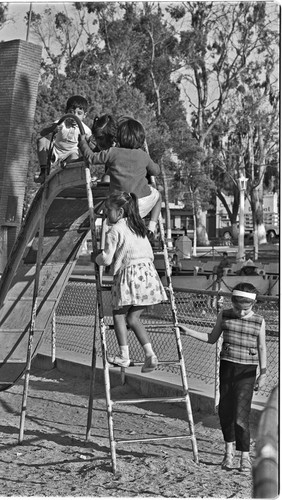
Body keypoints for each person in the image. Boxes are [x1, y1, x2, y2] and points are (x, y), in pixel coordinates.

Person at [179, 283, 267, 472]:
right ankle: (228, 452)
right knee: (225, 410)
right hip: (227, 367)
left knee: (241, 413)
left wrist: (264, 373)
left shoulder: (259, 321)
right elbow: (212, 338)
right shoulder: (224, 315)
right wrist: (189, 331)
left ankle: (244, 456)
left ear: (253, 304)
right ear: (232, 303)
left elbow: (261, 347)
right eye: (237, 308)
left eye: (245, 309)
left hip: (247, 371)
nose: (241, 313)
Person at [93, 191, 167, 372]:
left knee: (118, 314)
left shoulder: (115, 230)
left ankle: (124, 355)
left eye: (107, 210)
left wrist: (95, 257)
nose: (105, 214)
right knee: (133, 318)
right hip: (148, 276)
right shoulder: (138, 226)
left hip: (129, 276)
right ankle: (150, 354)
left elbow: (107, 258)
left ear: (119, 213)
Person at [79, 115, 162, 236]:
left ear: (118, 137)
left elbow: (91, 158)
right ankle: (151, 227)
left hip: (119, 205)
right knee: (158, 196)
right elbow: (156, 171)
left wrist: (82, 142)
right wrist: (155, 164)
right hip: (141, 205)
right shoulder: (143, 155)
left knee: (112, 222)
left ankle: (110, 242)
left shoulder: (113, 152)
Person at [35, 95, 92, 183]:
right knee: (41, 141)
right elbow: (42, 133)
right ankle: (43, 172)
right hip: (56, 149)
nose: (74, 116)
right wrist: (52, 129)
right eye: (71, 112)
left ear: (85, 115)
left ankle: (67, 178)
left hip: (70, 152)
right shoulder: (61, 123)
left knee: (75, 157)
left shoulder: (86, 130)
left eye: (79, 113)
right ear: (66, 112)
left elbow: (89, 146)